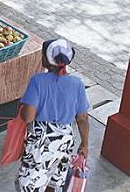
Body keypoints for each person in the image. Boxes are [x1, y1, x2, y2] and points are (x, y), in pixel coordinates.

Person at [17, 39, 90, 192]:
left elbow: (28, 117)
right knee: (54, 179)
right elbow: (82, 119)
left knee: (30, 180)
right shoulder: (77, 84)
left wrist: (22, 108)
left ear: (46, 59)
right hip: (64, 140)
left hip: (41, 140)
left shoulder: (37, 81)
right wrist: (84, 144)